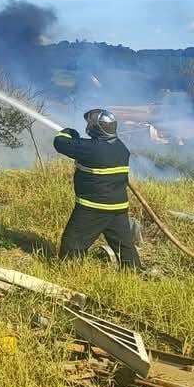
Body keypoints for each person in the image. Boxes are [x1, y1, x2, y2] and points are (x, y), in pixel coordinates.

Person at [52, 108, 142, 269]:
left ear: (95, 127)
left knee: (73, 240)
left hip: (94, 207)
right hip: (118, 206)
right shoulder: (121, 148)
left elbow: (60, 143)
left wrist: (68, 132)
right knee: (124, 244)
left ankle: (69, 271)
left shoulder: (90, 148)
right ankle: (134, 270)